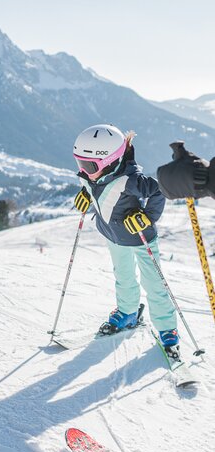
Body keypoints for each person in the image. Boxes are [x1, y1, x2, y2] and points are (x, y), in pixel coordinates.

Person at [73, 124, 179, 348]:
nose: (83, 169)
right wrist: (85, 195)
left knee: (153, 282)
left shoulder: (131, 180)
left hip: (141, 238)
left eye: (88, 165)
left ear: (111, 160)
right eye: (79, 162)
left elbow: (159, 190)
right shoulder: (91, 175)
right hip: (113, 235)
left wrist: (147, 217)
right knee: (123, 276)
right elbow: (95, 188)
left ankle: (166, 327)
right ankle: (128, 312)